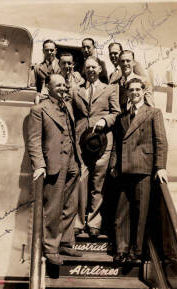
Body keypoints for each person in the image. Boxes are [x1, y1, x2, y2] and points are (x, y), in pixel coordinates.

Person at [110, 77, 168, 264]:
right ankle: (121, 249)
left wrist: (160, 167)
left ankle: (136, 251)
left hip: (144, 168)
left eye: (137, 89)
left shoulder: (153, 113)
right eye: (131, 89)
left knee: (141, 212)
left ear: (143, 91)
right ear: (127, 92)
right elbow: (116, 145)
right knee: (122, 213)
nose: (134, 92)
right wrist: (113, 164)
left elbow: (161, 141)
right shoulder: (122, 117)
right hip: (124, 169)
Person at [27, 74, 82, 265]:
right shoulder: (38, 109)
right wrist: (39, 164)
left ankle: (66, 242)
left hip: (73, 162)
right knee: (53, 207)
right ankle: (50, 248)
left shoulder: (67, 106)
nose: (62, 88)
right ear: (48, 87)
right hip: (54, 163)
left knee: (71, 205)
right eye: (57, 85)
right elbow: (33, 140)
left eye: (64, 85)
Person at [72, 56, 120, 236]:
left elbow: (116, 113)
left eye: (94, 67)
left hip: (102, 141)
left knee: (98, 182)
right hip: (81, 141)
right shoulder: (76, 90)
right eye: (88, 67)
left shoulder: (110, 89)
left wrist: (104, 120)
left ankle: (94, 222)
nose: (91, 70)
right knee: (81, 179)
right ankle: (78, 221)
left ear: (100, 69)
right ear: (84, 70)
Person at [34, 39, 61, 104]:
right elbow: (37, 87)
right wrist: (37, 96)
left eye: (51, 50)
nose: (49, 52)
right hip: (44, 101)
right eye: (46, 50)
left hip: (59, 100)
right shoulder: (37, 68)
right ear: (43, 51)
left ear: (55, 51)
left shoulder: (62, 65)